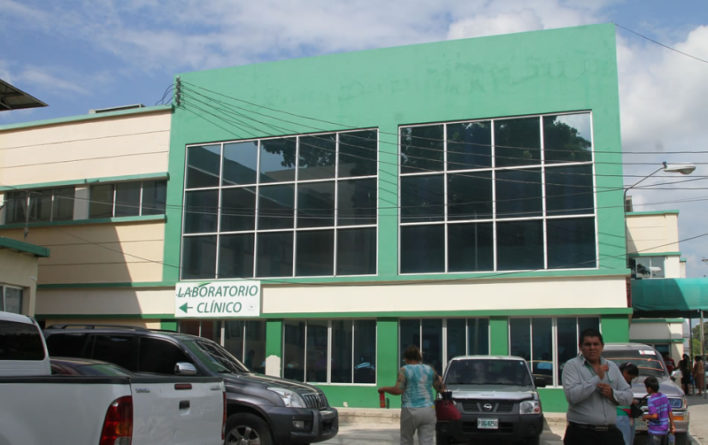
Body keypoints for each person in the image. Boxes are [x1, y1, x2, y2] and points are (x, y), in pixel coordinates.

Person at [561, 328, 633, 445]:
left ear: (602, 346)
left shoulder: (612, 366)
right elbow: (572, 396)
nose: (592, 348)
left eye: (596, 344)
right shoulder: (572, 366)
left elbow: (629, 396)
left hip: (609, 433)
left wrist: (612, 394)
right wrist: (597, 378)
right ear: (580, 347)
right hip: (581, 433)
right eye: (587, 344)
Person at [378, 345, 443, 445]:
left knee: (406, 440)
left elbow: (398, 390)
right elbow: (441, 388)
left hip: (410, 410)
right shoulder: (429, 369)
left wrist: (383, 389)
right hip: (428, 409)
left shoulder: (404, 370)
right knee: (427, 442)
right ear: (419, 357)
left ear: (406, 358)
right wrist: (440, 380)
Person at [642, 375, 675, 444]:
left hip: (655, 430)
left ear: (649, 388)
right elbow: (670, 412)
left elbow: (654, 416)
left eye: (646, 387)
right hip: (664, 430)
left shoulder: (651, 400)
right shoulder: (664, 397)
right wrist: (672, 425)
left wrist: (645, 416)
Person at [616, 362, 639, 445]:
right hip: (619, 414)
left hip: (627, 415)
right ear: (624, 372)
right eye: (630, 377)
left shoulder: (626, 384)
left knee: (629, 439)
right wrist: (630, 400)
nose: (630, 379)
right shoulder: (615, 382)